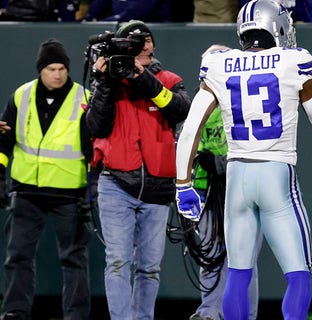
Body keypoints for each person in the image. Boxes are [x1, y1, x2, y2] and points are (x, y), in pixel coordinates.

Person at [174, 1, 312, 319]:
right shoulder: (294, 61)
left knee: (237, 274)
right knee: (298, 275)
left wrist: (182, 184)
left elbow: (191, 127)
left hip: (237, 178)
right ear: (277, 26)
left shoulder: (220, 63)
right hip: (276, 176)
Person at [85, 20, 191, 319]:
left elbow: (181, 109)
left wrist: (145, 80)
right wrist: (104, 83)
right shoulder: (108, 81)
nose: (143, 45)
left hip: (157, 187)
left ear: (153, 45)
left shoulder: (168, 80)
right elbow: (95, 127)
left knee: (149, 267)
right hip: (116, 183)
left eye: (147, 40)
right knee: (118, 261)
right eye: (135, 42)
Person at [0, 38, 92, 320]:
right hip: (27, 191)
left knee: (74, 259)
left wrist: (92, 190)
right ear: (40, 69)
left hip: (68, 192)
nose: (57, 74)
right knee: (18, 256)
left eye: (62, 68)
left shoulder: (84, 98)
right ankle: (15, 311)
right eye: (51, 68)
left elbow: (92, 149)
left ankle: (76, 315)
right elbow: (4, 140)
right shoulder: (21, 95)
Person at [187, 44, 261, 320]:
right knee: (211, 255)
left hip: (241, 190)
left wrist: (218, 162)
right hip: (206, 189)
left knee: (242, 260)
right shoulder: (198, 103)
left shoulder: (247, 103)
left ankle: (243, 315)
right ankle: (208, 313)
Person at [80, 0, 173, 22]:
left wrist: (103, 22)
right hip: (124, 34)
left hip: (157, 36)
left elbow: (135, 14)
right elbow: (95, 10)